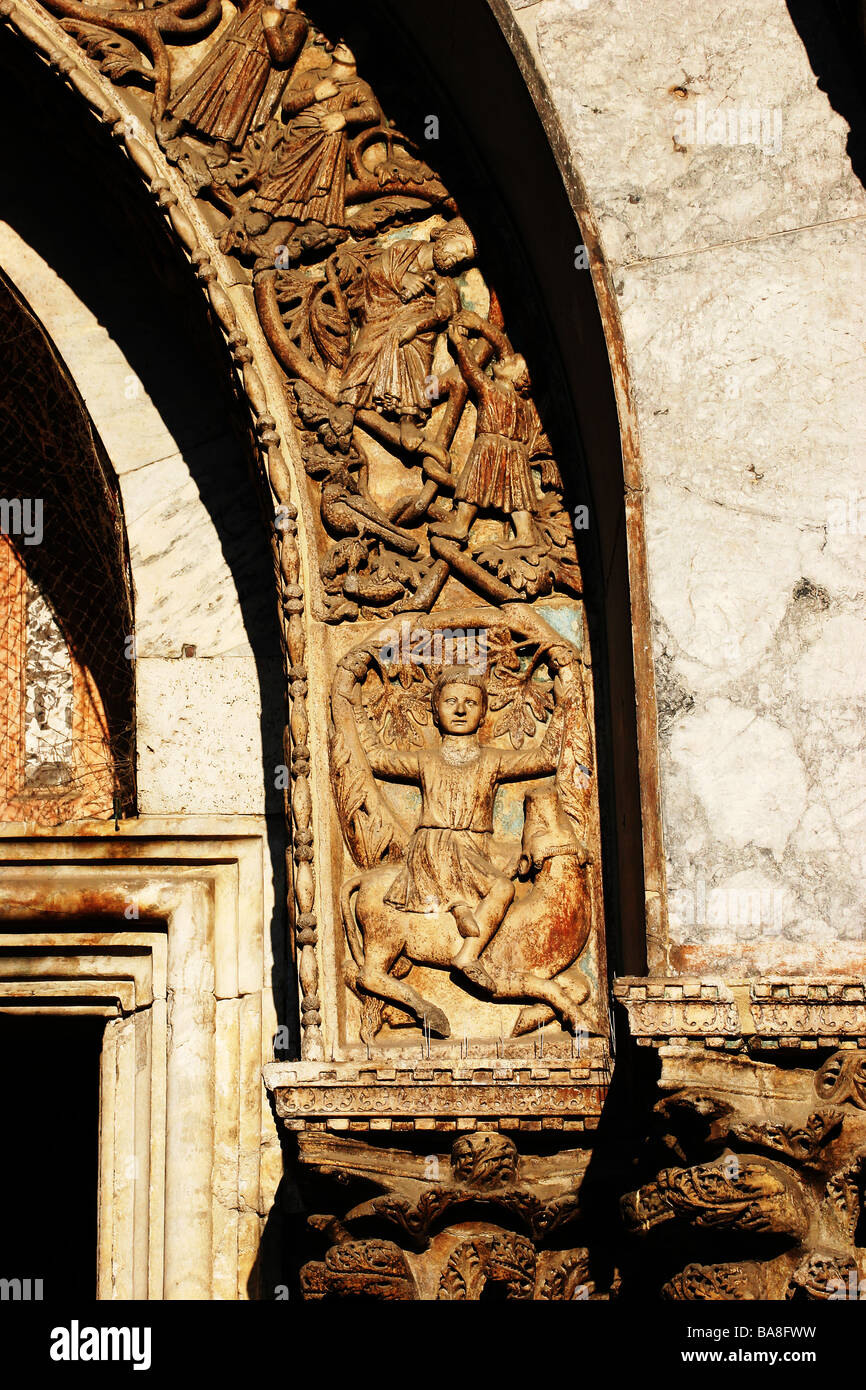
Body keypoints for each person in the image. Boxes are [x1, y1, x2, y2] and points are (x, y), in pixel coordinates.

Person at [355, 663, 567, 970]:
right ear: (435, 710)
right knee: (504, 889)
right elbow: (376, 758)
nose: (460, 710)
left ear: (483, 714)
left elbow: (547, 758)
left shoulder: (492, 760)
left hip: (476, 846)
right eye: (450, 701)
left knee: (517, 866)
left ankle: (463, 907)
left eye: (470, 702)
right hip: (437, 844)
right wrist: (355, 709)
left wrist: (564, 706)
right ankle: (468, 954)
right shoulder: (425, 761)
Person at [338, 221, 476, 433]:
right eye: (460, 248)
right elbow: (374, 270)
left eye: (464, 259)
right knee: (371, 340)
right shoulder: (404, 249)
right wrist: (402, 278)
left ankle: (408, 416)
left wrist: (417, 325)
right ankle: (349, 401)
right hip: (381, 309)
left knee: (416, 344)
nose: (458, 258)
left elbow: (445, 310)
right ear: (444, 235)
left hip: (415, 325)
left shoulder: (444, 281)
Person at [430, 310, 548, 547]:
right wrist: (481, 326)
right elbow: (504, 348)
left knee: (472, 485)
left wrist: (459, 343)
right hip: (515, 454)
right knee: (519, 494)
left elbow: (471, 371)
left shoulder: (492, 391)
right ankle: (525, 534)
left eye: (513, 362)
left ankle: (460, 526)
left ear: (517, 379)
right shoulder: (521, 401)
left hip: (489, 447)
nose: (506, 357)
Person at [249, 42, 381, 228]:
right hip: (299, 136)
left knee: (322, 178)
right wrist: (315, 93)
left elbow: (372, 111)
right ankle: (266, 209)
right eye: (341, 39)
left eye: (352, 43)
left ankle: (316, 218)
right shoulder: (312, 76)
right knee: (284, 171)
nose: (342, 42)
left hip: (328, 140)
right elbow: (288, 102)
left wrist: (343, 116)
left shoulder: (358, 86)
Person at [165, 0, 309, 153]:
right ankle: (180, 121)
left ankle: (223, 144)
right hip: (231, 52)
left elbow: (282, 56)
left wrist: (271, 27)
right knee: (207, 86)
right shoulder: (257, 3)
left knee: (237, 102)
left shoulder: (297, 21)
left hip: (255, 64)